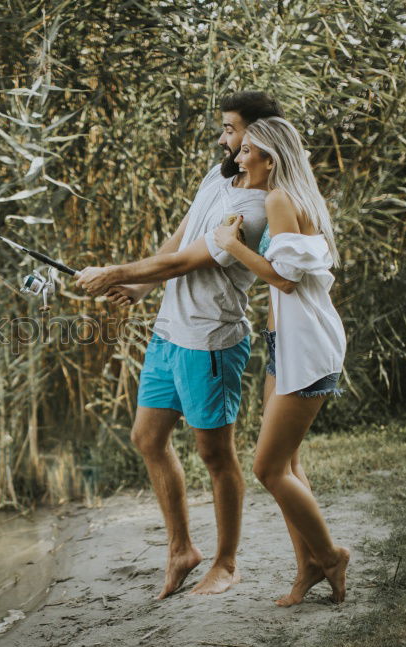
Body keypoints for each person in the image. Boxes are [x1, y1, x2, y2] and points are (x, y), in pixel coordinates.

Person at [75, 91, 282, 598]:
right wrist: (140, 287)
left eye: (232, 129)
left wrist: (113, 271)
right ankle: (181, 550)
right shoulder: (219, 176)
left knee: (215, 455)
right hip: (169, 332)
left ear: (259, 136)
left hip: (209, 341)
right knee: (147, 438)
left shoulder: (254, 208)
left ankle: (226, 563)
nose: (224, 138)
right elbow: (182, 235)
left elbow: (186, 262)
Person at [211, 115, 350, 605]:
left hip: (306, 348)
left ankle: (331, 556)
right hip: (284, 345)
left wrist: (231, 247)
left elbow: (286, 279)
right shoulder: (290, 196)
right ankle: (309, 564)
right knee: (288, 463)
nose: (237, 156)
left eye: (246, 149)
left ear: (270, 158)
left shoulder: (279, 198)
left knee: (268, 468)